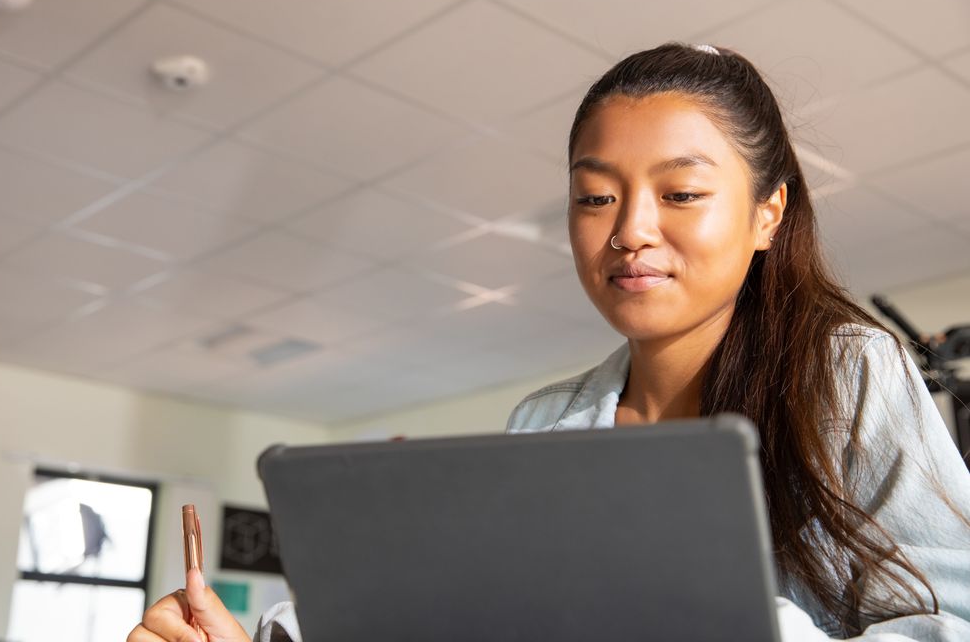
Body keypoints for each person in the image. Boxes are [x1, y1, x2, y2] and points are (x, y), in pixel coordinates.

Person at [127, 43, 970, 642]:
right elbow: (465, 611)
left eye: (680, 193)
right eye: (595, 198)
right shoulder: (549, 419)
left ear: (767, 214)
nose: (631, 231)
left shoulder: (847, 371)